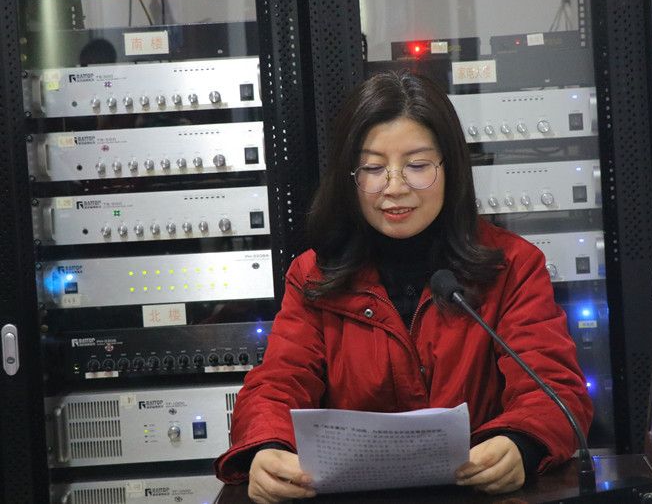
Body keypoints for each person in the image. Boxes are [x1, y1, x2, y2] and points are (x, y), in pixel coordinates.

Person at [214, 71, 592, 502]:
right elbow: (277, 384)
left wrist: (520, 443)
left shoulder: (514, 266)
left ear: (451, 168)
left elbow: (553, 388)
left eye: (417, 166)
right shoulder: (313, 276)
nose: (395, 188)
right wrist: (266, 447)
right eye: (374, 168)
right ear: (350, 176)